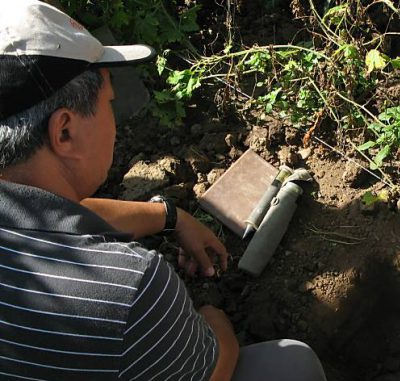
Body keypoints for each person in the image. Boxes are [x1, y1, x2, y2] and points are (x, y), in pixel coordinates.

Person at [0, 1, 326, 380]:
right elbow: (214, 369)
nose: (114, 119)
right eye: (109, 103)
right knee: (292, 362)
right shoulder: (125, 288)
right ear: (65, 131)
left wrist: (169, 217)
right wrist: (213, 320)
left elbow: (56, 217)